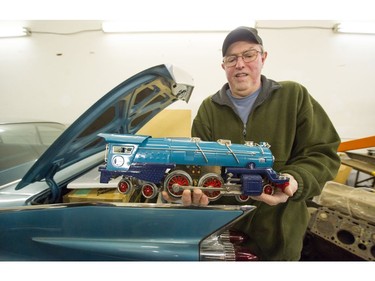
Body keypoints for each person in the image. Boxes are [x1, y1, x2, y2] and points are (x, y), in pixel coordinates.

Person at [162, 26, 341, 261]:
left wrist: (295, 180)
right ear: (223, 65)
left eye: (249, 55)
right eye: (231, 58)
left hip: (281, 234)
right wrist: (191, 192)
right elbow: (199, 167)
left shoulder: (293, 96)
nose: (240, 64)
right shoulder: (209, 109)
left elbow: (323, 152)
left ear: (263, 58)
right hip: (223, 234)